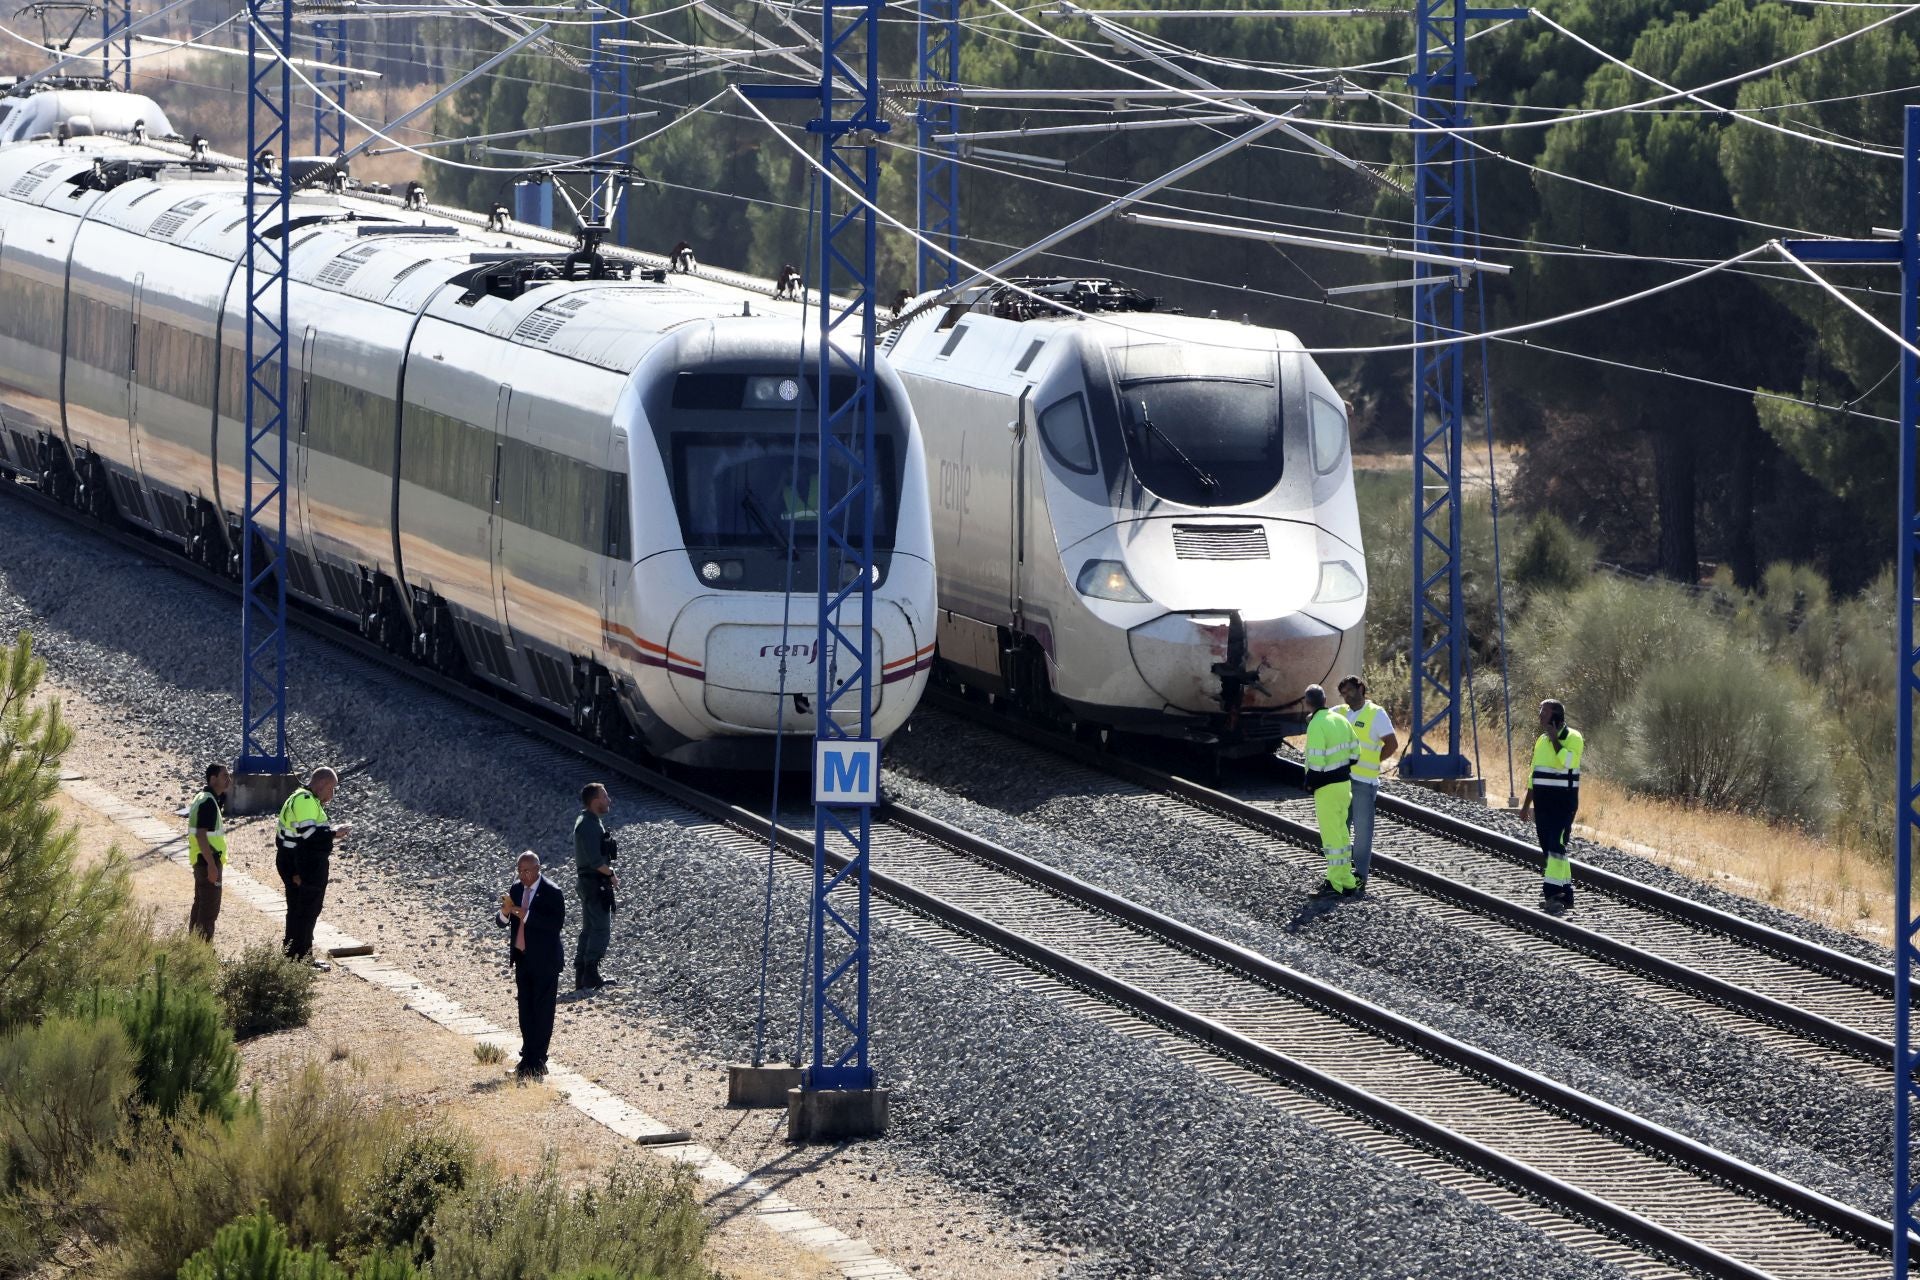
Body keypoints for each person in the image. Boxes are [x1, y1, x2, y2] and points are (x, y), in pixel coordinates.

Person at [496, 851, 565, 1078]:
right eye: (520, 871)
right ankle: (527, 1058)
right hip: (523, 959)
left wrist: (525, 915)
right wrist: (506, 913)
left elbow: (555, 925)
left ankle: (538, 1060)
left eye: (527, 871)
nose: (523, 876)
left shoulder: (552, 892)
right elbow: (501, 922)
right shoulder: (516, 889)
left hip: (545, 962)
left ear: (537, 869)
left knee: (543, 1012)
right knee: (525, 1010)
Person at [275, 766, 350, 968]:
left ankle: (294, 956)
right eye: (331, 789)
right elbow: (309, 835)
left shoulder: (302, 798)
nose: (332, 794)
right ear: (322, 784)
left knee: (301, 910)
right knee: (305, 912)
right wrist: (335, 833)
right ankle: (301, 958)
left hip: (298, 863)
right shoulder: (305, 801)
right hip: (303, 865)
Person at [1336, 675, 1400, 893]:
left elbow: (1392, 744)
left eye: (1350, 691)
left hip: (1364, 783)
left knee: (1362, 833)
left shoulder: (1376, 714)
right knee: (1341, 829)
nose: (1347, 696)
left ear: (1361, 688)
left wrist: (1374, 761)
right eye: (1343, 693)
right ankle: (1341, 874)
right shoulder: (1341, 712)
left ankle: (1360, 878)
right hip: (1343, 781)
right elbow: (1319, 716)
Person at [1518, 699, 1585, 905]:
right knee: (1550, 848)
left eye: (1544, 712)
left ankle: (1552, 893)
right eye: (1540, 711)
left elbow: (1568, 762)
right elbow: (1534, 774)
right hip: (1542, 802)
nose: (1540, 715)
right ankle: (1566, 893)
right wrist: (1526, 804)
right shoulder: (1541, 741)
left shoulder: (1574, 738)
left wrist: (1555, 739)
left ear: (1556, 716)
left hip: (1563, 803)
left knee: (1557, 844)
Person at [1301, 684, 1360, 899]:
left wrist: (1310, 784)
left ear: (1308, 703)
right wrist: (1340, 768)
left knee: (1331, 838)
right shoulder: (1341, 720)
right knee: (1342, 834)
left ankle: (1334, 885)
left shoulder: (1316, 724)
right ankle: (1347, 880)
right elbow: (1356, 753)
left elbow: (1316, 763)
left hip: (1326, 789)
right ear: (1325, 701)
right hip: (1344, 785)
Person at [573, 782, 619, 991]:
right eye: (605, 796)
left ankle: (582, 975)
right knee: (601, 929)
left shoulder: (589, 821)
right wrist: (611, 874)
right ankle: (590, 973)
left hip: (589, 883)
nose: (608, 800)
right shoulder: (589, 825)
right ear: (594, 801)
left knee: (589, 929)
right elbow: (594, 860)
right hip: (594, 883)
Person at [187, 763, 230, 942]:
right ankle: (202, 954)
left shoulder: (203, 797)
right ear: (213, 779)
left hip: (201, 861)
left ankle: (193, 950)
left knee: (200, 905)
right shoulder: (208, 802)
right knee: (209, 910)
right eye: (225, 776)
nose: (229, 780)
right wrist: (212, 866)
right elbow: (201, 834)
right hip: (208, 862)